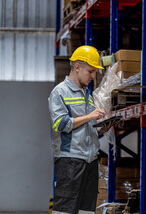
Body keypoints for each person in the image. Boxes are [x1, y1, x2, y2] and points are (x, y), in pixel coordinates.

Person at [48, 45, 106, 214]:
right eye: (90, 71)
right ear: (77, 67)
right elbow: (61, 124)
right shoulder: (60, 92)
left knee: (86, 211)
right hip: (70, 160)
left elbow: (85, 126)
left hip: (90, 160)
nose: (93, 76)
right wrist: (90, 117)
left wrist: (101, 128)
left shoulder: (87, 94)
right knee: (65, 210)